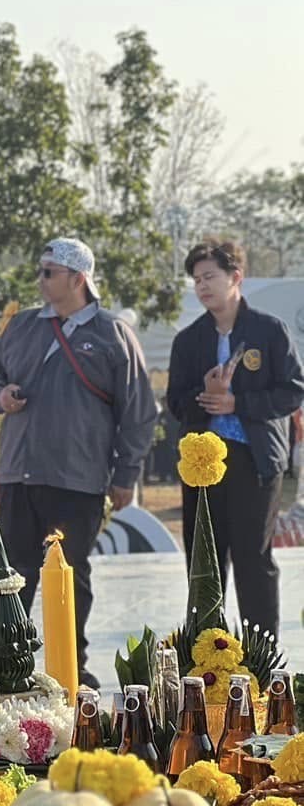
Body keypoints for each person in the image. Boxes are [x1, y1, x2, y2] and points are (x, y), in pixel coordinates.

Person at [0, 237, 157, 687]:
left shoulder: (113, 334)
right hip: (18, 474)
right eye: (40, 270)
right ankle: (6, 670)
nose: (40, 280)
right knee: (9, 577)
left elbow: (139, 412)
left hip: (77, 480)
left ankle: (71, 668)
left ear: (78, 279)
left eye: (49, 272)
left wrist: (126, 475)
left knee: (70, 575)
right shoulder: (22, 325)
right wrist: (0, 395)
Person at [166, 239, 304, 640]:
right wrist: (205, 396)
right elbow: (175, 403)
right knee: (205, 565)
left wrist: (237, 403)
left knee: (253, 560)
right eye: (196, 280)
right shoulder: (188, 340)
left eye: (210, 276)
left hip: (255, 461)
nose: (202, 286)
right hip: (202, 467)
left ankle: (262, 657)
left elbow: (293, 391)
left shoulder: (269, 330)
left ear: (236, 277)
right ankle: (209, 657)